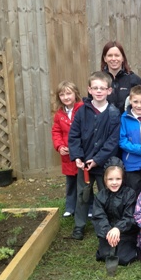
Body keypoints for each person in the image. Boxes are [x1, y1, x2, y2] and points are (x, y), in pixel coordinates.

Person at [69, 71, 121, 240]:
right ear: (89, 90)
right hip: (83, 164)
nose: (99, 91)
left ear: (109, 91)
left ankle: (109, 225)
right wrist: (77, 156)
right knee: (83, 194)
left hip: (103, 165)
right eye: (95, 88)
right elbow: (74, 135)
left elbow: (113, 142)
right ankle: (79, 225)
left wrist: (97, 160)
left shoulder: (114, 113)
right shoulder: (82, 112)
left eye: (102, 88)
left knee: (107, 194)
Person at [92, 157, 140, 265]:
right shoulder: (100, 196)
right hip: (108, 232)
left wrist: (118, 228)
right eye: (110, 179)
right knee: (104, 255)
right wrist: (108, 232)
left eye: (118, 179)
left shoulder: (130, 194)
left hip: (125, 232)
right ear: (105, 179)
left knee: (123, 259)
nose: (114, 183)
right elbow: (98, 217)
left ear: (123, 178)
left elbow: (130, 216)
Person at [51, 80, 83, 218]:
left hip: (81, 154)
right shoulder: (59, 114)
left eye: (69, 93)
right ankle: (70, 207)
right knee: (71, 183)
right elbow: (56, 132)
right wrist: (59, 146)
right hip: (67, 156)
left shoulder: (83, 109)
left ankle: (88, 207)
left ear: (75, 94)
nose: (66, 97)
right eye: (62, 94)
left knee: (84, 183)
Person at [100, 41, 141, 115]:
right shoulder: (98, 80)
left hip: (129, 125)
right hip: (105, 125)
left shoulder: (135, 80)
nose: (113, 59)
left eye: (117, 55)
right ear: (105, 58)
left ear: (123, 58)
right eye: (110, 55)